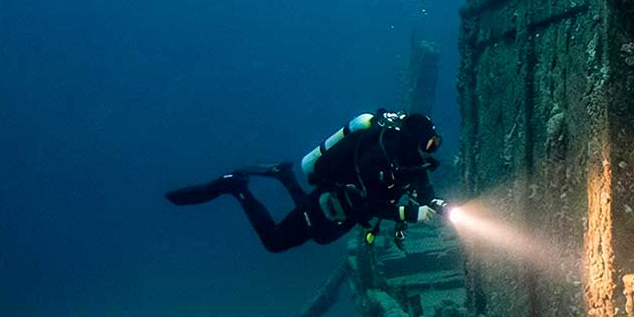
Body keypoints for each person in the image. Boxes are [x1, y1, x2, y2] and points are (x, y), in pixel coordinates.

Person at [167, 110, 448, 252]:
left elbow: (422, 187)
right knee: (276, 242)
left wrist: (433, 201)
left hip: (345, 209)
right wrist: (412, 214)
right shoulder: (377, 156)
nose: (432, 148)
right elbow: (372, 205)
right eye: (429, 143)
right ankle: (237, 188)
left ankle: (285, 175)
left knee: (324, 236)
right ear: (413, 140)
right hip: (333, 201)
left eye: (434, 143)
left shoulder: (411, 158)